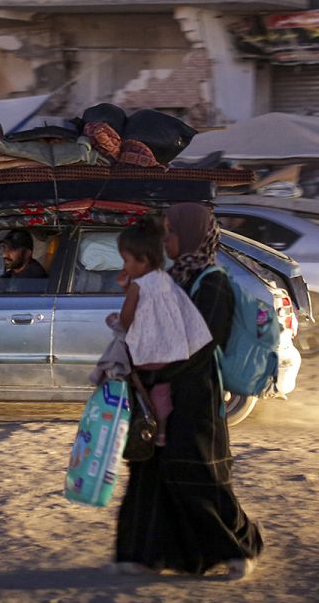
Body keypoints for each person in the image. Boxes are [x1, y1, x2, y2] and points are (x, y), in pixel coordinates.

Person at [114, 202, 263, 580]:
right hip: (161, 394)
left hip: (195, 397)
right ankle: (144, 553)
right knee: (150, 472)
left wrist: (156, 366)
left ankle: (238, 548)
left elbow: (200, 346)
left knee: (200, 475)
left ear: (192, 236)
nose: (165, 240)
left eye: (172, 232)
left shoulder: (213, 283)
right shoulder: (174, 278)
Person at [108, 217, 212, 446]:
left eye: (125, 261)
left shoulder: (138, 285)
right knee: (161, 390)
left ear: (142, 260)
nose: (124, 267)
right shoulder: (164, 279)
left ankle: (141, 421)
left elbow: (127, 319)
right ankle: (162, 431)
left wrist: (115, 321)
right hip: (171, 353)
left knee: (115, 365)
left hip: (148, 354)